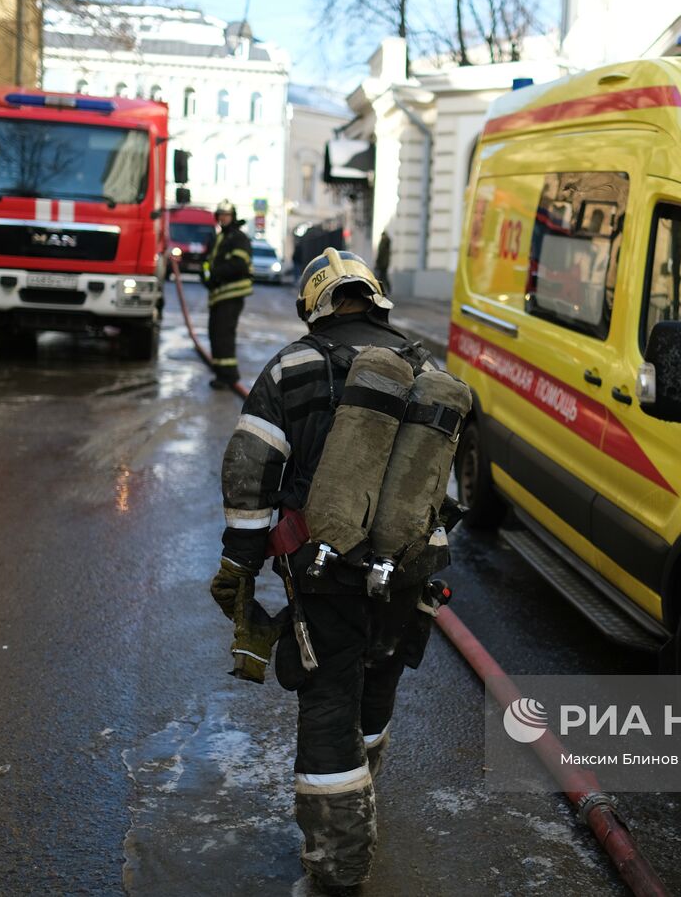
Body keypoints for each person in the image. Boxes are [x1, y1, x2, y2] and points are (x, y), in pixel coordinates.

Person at [209, 248, 452, 894]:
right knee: (376, 693)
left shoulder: (291, 366)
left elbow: (250, 471)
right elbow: (438, 484)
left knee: (328, 703)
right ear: (375, 298)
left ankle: (339, 860)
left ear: (314, 305)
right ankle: (360, 798)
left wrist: (242, 560)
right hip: (407, 573)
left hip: (327, 576)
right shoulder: (424, 364)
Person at [203, 199, 254, 388]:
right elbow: (208, 262)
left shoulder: (238, 238)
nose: (223, 218)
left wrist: (216, 274)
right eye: (220, 215)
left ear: (232, 217)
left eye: (226, 215)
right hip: (218, 294)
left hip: (232, 294)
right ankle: (220, 373)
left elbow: (239, 264)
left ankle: (228, 377)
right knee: (215, 334)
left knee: (223, 335)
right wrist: (206, 276)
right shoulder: (219, 238)